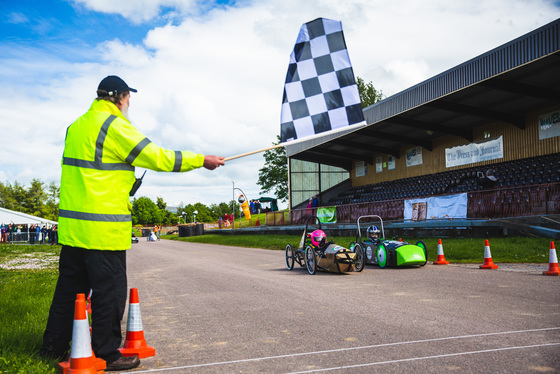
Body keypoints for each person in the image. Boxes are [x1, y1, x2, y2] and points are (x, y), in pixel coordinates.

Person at [39, 75, 225, 371]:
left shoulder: (75, 127)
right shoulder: (114, 126)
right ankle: (107, 353)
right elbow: (157, 156)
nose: (129, 105)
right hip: (102, 228)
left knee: (69, 290)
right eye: (128, 99)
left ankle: (52, 347)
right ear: (119, 97)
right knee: (109, 291)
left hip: (73, 228)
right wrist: (201, 159)